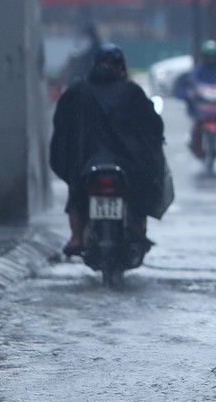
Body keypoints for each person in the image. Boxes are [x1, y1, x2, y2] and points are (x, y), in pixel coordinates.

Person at [49, 44, 167, 258]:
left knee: (77, 190)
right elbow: (153, 125)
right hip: (127, 163)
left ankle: (76, 237)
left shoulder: (77, 90)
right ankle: (136, 229)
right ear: (121, 67)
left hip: (85, 163)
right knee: (141, 190)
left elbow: (61, 127)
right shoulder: (132, 91)